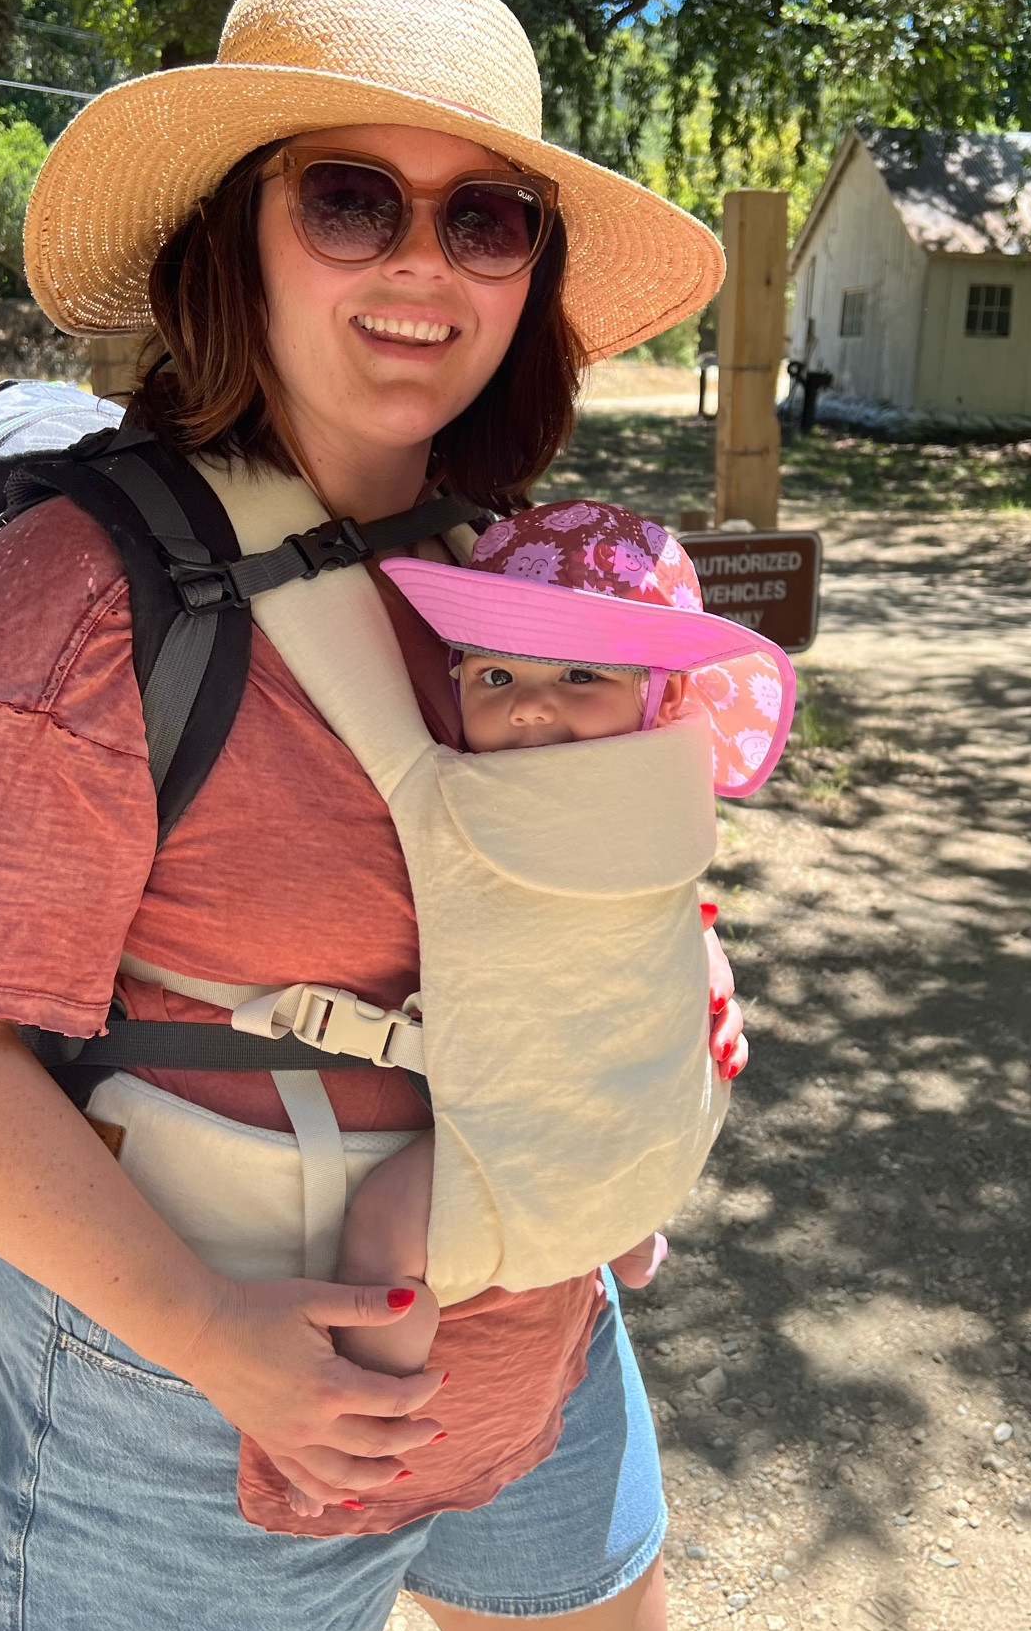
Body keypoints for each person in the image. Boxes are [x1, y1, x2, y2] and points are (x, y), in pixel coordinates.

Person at [0, 0, 746, 1631]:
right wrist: (216, 1332)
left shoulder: (515, 572)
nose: (425, 264)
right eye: (350, 199)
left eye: (483, 217)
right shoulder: (57, 606)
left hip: (520, 1291)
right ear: (227, 244)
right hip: (199, 1346)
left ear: (531, 275)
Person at [330, 499, 794, 1384]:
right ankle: (624, 1238)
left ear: (663, 698)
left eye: (582, 675)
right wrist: (708, 965)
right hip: (663, 1125)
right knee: (617, 1152)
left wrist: (705, 971)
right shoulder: (669, 780)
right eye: (495, 678)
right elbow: (678, 906)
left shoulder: (456, 794)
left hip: (556, 1123)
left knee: (386, 1229)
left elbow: (669, 913)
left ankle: (372, 1412)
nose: (534, 710)